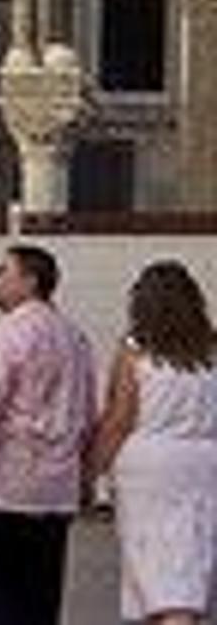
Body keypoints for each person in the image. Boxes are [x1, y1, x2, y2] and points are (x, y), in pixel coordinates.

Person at [0, 241, 99, 625]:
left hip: (1, 488)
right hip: (54, 493)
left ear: (30, 281)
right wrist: (85, 477)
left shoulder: (8, 335)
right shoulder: (75, 338)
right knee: (40, 600)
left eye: (3, 271)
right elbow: (86, 411)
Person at [90, 257, 217, 625]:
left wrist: (90, 470)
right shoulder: (211, 350)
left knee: (153, 564)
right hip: (204, 462)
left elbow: (118, 419)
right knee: (190, 558)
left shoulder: (134, 350)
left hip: (147, 468)